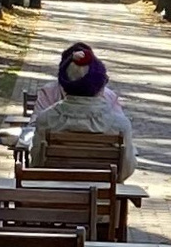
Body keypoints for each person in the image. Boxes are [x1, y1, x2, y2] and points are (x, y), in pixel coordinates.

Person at [28, 43, 137, 171]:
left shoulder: (45, 120)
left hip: (54, 187)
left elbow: (37, 162)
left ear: (64, 85)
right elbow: (126, 169)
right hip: (104, 188)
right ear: (100, 86)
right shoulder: (120, 126)